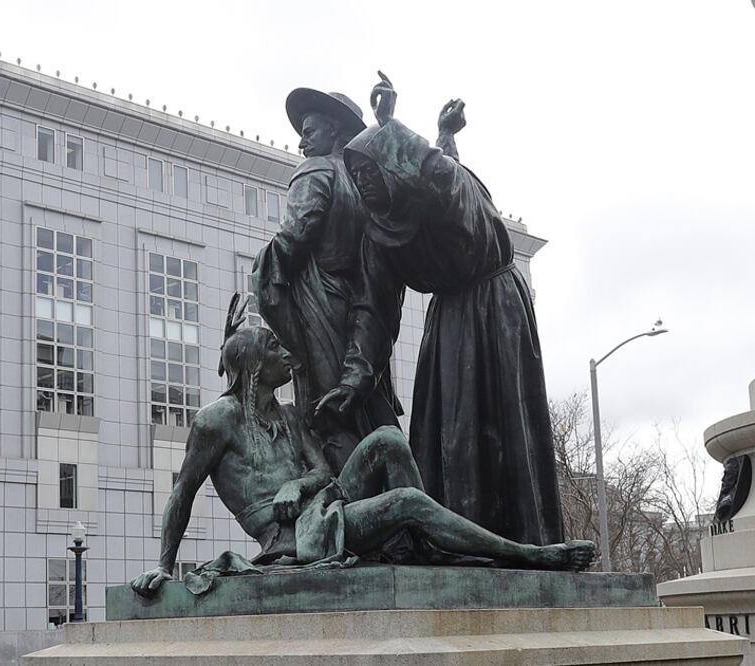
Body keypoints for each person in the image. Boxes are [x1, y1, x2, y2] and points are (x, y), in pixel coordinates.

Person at [130, 310, 594, 598]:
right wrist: (163, 566)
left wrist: (299, 483)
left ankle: (424, 547)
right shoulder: (216, 421)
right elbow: (182, 492)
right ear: (252, 364)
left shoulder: (290, 417)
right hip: (295, 539)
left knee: (388, 439)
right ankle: (531, 556)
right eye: (274, 347)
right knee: (406, 503)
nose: (287, 354)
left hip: (325, 504)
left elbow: (323, 471)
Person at [315, 72, 564, 546]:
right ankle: (453, 545)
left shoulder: (440, 189)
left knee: (499, 436)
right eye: (357, 175)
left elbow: (437, 171)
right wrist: (353, 378)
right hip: (448, 322)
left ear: (393, 163)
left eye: (371, 170)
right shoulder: (377, 234)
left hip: (496, 308)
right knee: (450, 441)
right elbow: (373, 308)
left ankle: (518, 546)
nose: (364, 183)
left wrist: (393, 126)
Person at [250, 88, 402, 475]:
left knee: (327, 413)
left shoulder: (315, 170)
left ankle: (350, 503)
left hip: (321, 306)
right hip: (360, 312)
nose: (302, 141)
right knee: (364, 408)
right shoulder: (362, 184)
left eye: (309, 130)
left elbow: (297, 232)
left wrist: (263, 271)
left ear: (335, 132)